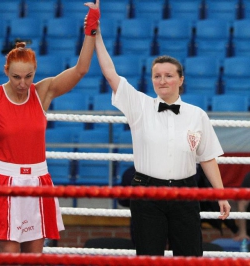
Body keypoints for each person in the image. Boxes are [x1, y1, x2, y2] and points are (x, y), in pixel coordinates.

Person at [94, 8, 231, 256]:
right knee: (148, 257)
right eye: (157, 76)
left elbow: (208, 157)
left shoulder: (197, 114)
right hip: (147, 193)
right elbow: (110, 73)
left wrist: (220, 195)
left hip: (186, 193)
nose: (162, 80)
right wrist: (97, 33)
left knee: (190, 257)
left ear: (181, 79)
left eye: (168, 75)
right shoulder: (140, 105)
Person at [0, 1, 99, 253]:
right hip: (4, 182)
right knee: (9, 259)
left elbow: (81, 70)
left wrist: (90, 30)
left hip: (38, 180)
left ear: (35, 72)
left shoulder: (42, 92)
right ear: (6, 71)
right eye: (16, 77)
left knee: (34, 259)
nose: (22, 83)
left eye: (28, 76)